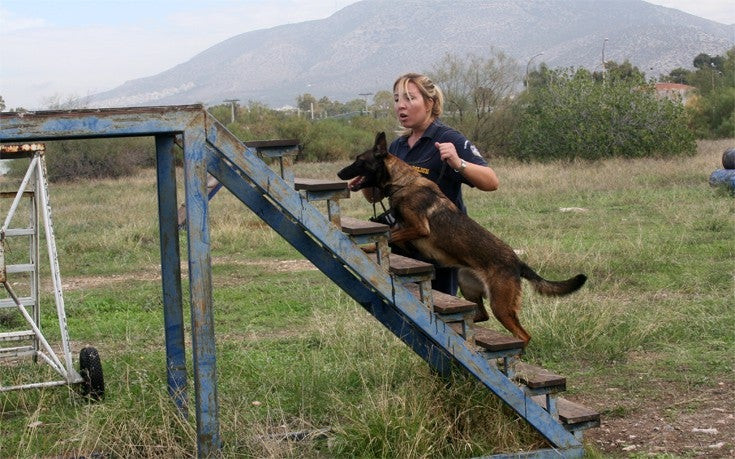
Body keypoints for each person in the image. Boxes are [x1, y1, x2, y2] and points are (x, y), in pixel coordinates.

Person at [354, 72, 499, 296]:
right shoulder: (397, 146)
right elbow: (374, 197)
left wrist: (458, 162)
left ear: (429, 103)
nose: (401, 106)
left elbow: (491, 182)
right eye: (396, 100)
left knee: (441, 321)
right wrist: (366, 179)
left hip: (441, 249)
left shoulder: (450, 138)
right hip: (403, 248)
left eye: (409, 99)